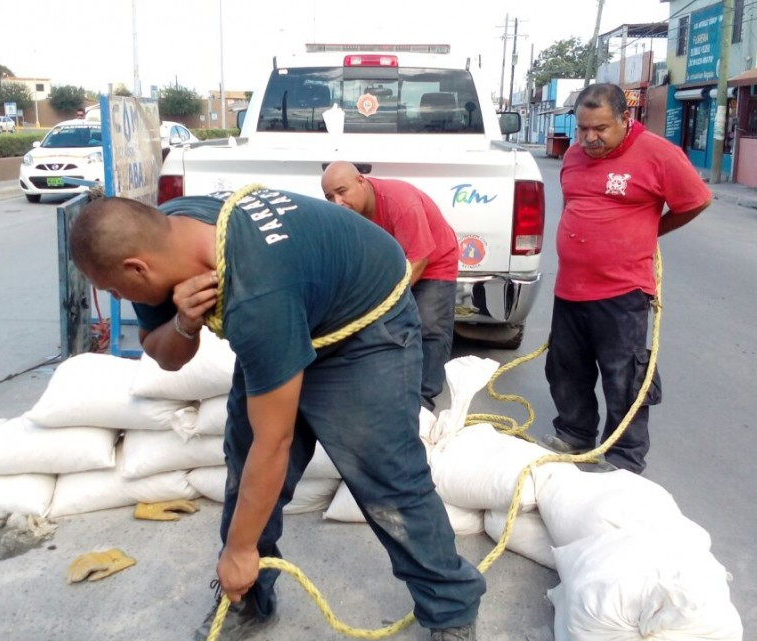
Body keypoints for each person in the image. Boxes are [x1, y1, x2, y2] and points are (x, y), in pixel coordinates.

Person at [68, 191, 485, 641]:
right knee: (245, 463)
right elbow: (164, 355)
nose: (114, 297)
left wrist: (239, 548)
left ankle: (451, 608)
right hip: (294, 308)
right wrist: (184, 324)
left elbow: (276, 442)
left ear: (136, 268)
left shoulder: (255, 293)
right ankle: (246, 598)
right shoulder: (162, 236)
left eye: (112, 290)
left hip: (364, 327)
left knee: (385, 473)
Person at [543, 83, 710, 474]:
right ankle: (575, 434)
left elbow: (696, 200)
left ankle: (623, 456)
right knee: (567, 368)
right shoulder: (573, 156)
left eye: (599, 128)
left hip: (622, 290)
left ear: (625, 119)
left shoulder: (657, 154)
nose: (589, 138)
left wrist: (649, 231)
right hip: (570, 286)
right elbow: (575, 203)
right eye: (582, 128)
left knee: (624, 377)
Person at [321, 161, 459, 410]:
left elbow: (419, 259)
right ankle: (389, 389)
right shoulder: (345, 215)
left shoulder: (400, 201)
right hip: (394, 266)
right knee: (382, 331)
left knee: (429, 326)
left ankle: (423, 402)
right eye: (330, 197)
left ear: (361, 181)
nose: (337, 202)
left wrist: (385, 302)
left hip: (433, 262)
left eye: (342, 191)